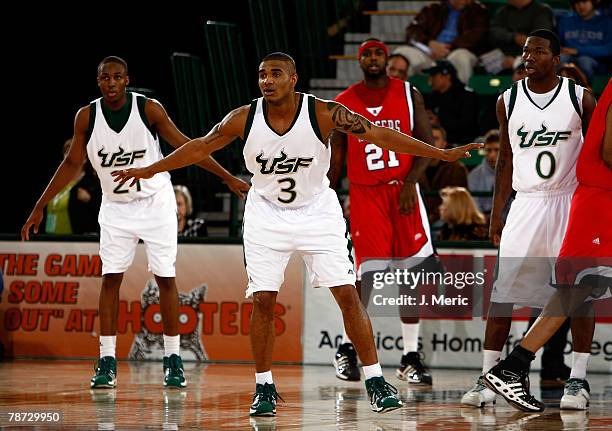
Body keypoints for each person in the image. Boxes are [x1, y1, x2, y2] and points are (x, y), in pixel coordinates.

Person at [112, 52, 480, 416]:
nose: (267, 80)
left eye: (275, 73)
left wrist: (440, 154)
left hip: (317, 212)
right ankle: (264, 386)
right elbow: (200, 146)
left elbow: (379, 134)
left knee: (348, 295)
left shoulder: (322, 112)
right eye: (261, 75)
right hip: (266, 216)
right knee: (263, 301)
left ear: (293, 79)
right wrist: (152, 169)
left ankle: (375, 380)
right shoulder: (244, 117)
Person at [21, 56, 250, 390]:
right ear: (98, 82)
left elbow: (187, 146)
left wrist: (227, 177)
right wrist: (39, 206)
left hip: (155, 202)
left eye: (117, 77)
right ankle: (107, 359)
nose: (111, 83)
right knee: (110, 279)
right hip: (116, 207)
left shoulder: (149, 110)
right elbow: (71, 164)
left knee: (166, 278)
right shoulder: (87, 117)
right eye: (104, 78)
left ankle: (173, 358)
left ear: (127, 80)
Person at [461, 30, 596, 411]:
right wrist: (496, 215)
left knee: (579, 294)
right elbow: (504, 159)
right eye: (525, 51)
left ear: (556, 57)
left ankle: (578, 380)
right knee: (503, 296)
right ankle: (489, 378)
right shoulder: (508, 99)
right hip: (525, 203)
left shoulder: (579, 97)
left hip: (569, 201)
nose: (529, 56)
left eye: (538, 50)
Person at [485, 78, 611, 412]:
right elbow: (609, 151)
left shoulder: (586, 96)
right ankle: (510, 366)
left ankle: (518, 366)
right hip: (592, 195)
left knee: (578, 287)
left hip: (580, 195)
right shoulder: (512, 100)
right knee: (577, 286)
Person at [328, 39, 437, 386]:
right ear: (359, 60)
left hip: (402, 191)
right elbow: (337, 159)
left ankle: (409, 356)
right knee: (368, 276)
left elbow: (427, 145)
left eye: (378, 53)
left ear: (387, 59)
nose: (373, 58)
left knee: (411, 276)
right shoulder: (343, 102)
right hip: (365, 195)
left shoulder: (408, 93)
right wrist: (326, 195)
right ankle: (346, 349)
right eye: (366, 54)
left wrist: (410, 184)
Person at [396, 0, 489, 84]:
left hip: (457, 51)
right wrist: (429, 43)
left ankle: (460, 100)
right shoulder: (432, 9)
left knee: (462, 58)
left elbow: (477, 36)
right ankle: (398, 97)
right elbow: (412, 32)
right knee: (402, 54)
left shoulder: (478, 11)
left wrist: (448, 48)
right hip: (430, 52)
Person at [419, 124, 469, 223]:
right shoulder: (414, 167)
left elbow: (457, 200)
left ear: (444, 144)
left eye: (435, 139)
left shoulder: (456, 168)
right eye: (427, 139)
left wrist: (434, 215)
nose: (431, 142)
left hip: (447, 218)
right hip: (420, 217)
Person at [423, 60, 479, 145]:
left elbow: (468, 125)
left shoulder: (466, 96)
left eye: (433, 75)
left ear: (447, 76)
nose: (430, 80)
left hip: (460, 143)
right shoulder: (431, 97)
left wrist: (440, 122)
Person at [490, 0, 554, 72]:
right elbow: (494, 30)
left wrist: (517, 60)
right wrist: (513, 37)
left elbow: (540, 37)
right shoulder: (503, 11)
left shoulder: (541, 10)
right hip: (503, 54)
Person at [558, 0, 612, 80]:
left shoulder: (606, 22)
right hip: (568, 57)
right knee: (559, 59)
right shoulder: (565, 21)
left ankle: (583, 89)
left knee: (584, 61)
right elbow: (558, 43)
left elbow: (608, 49)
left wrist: (578, 50)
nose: (581, 6)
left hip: (593, 60)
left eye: (584, 1)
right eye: (577, 2)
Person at [468, 129, 500, 214]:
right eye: (489, 150)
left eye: (497, 150)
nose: (492, 155)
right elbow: (474, 205)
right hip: (481, 221)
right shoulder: (474, 175)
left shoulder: (515, 174)